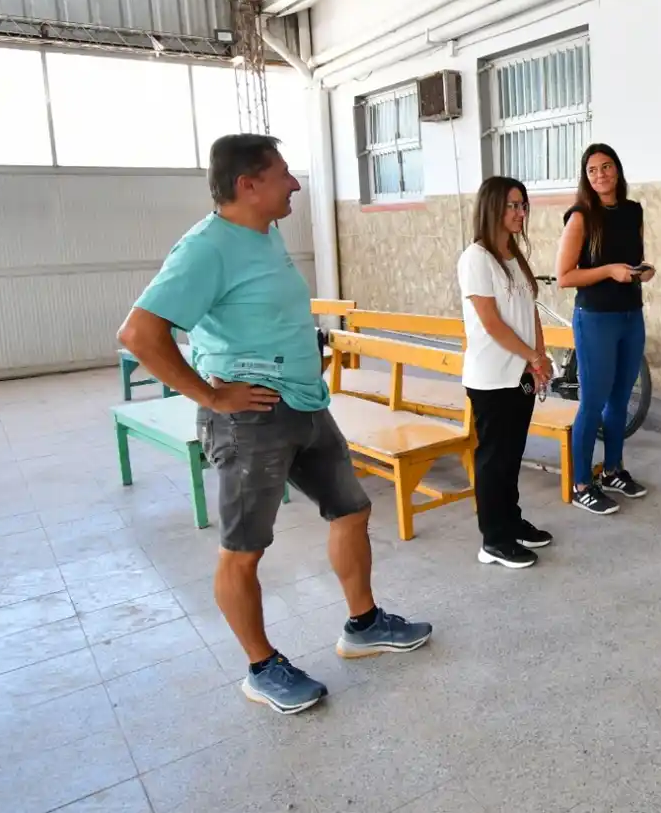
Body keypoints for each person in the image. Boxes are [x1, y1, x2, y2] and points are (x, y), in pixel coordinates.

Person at [116, 134, 431, 716]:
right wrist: (212, 395)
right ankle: (262, 668)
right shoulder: (205, 249)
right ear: (248, 185)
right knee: (244, 549)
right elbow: (139, 334)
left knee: (351, 511)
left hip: (305, 405)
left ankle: (363, 624)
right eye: (284, 174)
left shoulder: (266, 232)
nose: (294, 184)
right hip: (252, 419)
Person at [458, 176, 554, 569]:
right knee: (493, 459)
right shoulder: (476, 258)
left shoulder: (513, 255)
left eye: (523, 205)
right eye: (512, 205)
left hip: (521, 375)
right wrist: (531, 356)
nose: (520, 212)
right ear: (492, 208)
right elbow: (492, 323)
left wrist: (540, 357)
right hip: (491, 377)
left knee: (511, 456)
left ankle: (511, 522)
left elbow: (530, 312)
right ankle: (493, 539)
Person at [554, 144, 652, 515]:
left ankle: (612, 471)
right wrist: (610, 271)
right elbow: (565, 276)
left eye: (606, 167)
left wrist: (642, 271)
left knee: (620, 399)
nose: (600, 175)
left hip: (630, 314)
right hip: (595, 318)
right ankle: (581, 484)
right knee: (593, 402)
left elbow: (632, 258)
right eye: (592, 170)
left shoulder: (633, 211)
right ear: (586, 177)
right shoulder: (581, 217)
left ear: (617, 170)